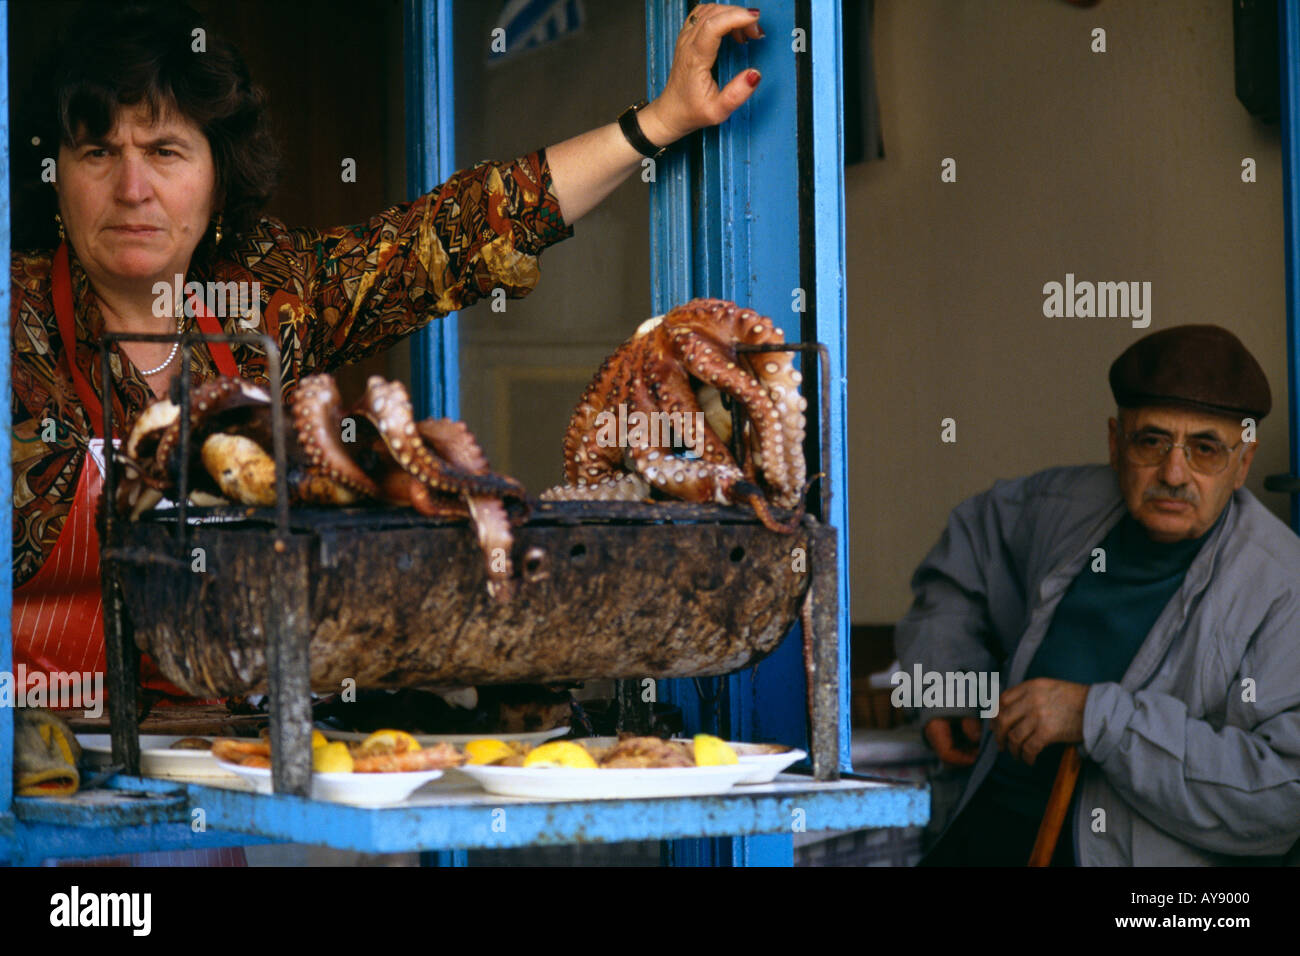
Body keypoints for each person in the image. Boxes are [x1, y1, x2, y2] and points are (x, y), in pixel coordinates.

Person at [8, 2, 763, 866]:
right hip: (35, 778)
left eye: (166, 151)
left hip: (219, 775)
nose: (131, 188)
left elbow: (450, 238)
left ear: (217, 179)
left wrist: (661, 121)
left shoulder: (266, 302)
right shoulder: (9, 314)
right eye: (97, 151)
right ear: (55, 173)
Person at [895, 325, 1300, 866]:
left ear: (1242, 464)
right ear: (1116, 443)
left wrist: (1097, 719)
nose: (1174, 474)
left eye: (1206, 449)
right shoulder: (1066, 505)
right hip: (985, 830)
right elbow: (970, 544)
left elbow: (1282, 799)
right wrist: (948, 678)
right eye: (1151, 441)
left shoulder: (1282, 585)